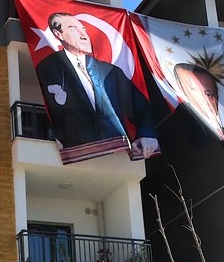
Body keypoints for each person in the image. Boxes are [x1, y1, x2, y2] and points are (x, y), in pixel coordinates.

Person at [36, 13, 159, 161]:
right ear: (58, 34)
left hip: (118, 152)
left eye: (84, 29)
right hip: (78, 151)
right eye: (73, 29)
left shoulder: (110, 72)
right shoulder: (48, 67)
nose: (84, 35)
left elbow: (141, 109)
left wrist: (147, 134)